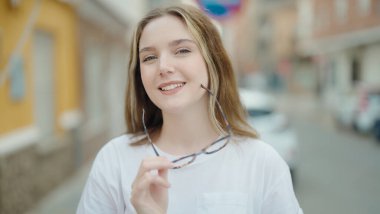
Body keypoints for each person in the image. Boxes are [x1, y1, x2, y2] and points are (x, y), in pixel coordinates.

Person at [77, 4, 303, 214]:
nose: (163, 67)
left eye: (182, 50)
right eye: (149, 57)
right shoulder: (114, 160)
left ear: (213, 62)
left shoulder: (262, 163)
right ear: (140, 76)